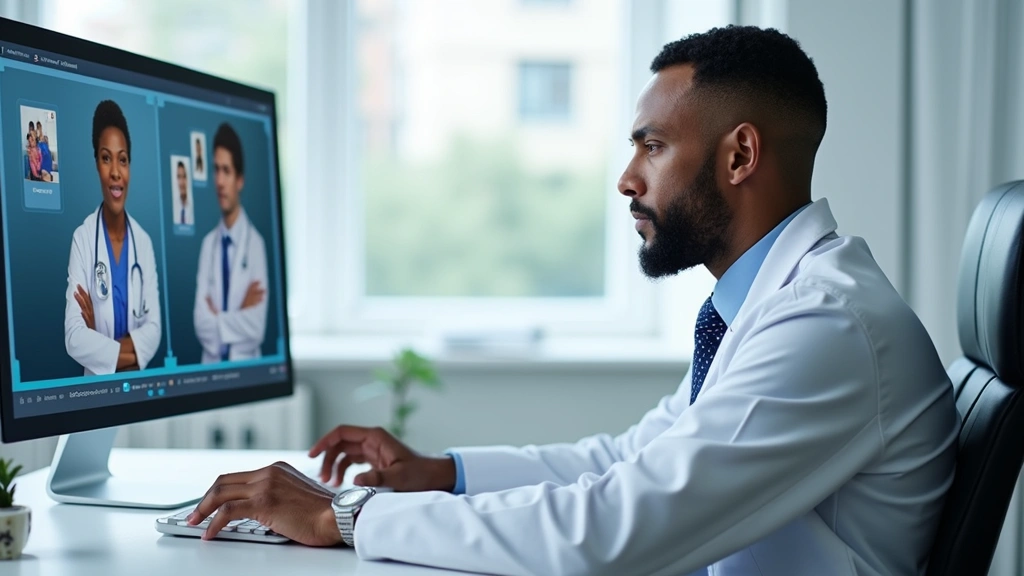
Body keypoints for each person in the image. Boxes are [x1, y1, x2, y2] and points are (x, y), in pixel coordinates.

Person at [186, 27, 959, 576]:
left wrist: (343, 516)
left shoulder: (827, 326)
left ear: (740, 155)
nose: (627, 178)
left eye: (652, 146)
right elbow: (628, 461)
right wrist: (441, 473)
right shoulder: (772, 307)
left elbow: (612, 533)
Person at [64, 100, 162, 375]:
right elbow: (73, 337)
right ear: (96, 163)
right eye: (107, 158)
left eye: (123, 159)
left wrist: (100, 347)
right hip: (96, 400)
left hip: (137, 395)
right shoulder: (83, 238)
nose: (116, 172)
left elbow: (154, 330)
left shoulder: (143, 242)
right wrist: (132, 352)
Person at [193, 122, 268, 363]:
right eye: (215, 170)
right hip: (210, 373)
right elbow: (200, 323)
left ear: (240, 180)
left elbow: (256, 328)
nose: (219, 181)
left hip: (245, 374)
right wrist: (238, 313)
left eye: (226, 170)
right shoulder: (208, 245)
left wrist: (218, 318)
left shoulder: (256, 245)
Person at [176, 160, 192, 225]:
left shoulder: (193, 208)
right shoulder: (174, 208)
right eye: (179, 177)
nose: (182, 182)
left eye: (184, 177)